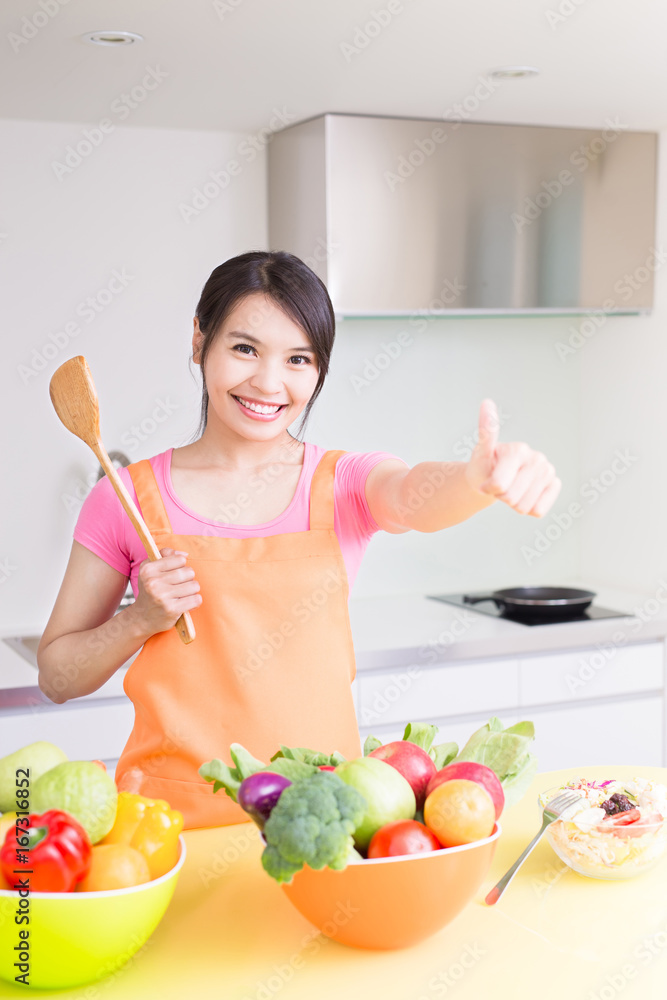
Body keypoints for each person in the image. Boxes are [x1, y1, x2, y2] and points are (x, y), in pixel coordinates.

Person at [37, 250, 561, 829]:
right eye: (244, 348)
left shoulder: (344, 483)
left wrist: (474, 479)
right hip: (170, 829)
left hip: (323, 822)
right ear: (199, 339)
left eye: (298, 359)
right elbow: (58, 676)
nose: (268, 382)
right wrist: (137, 621)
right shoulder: (124, 497)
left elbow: (414, 494)